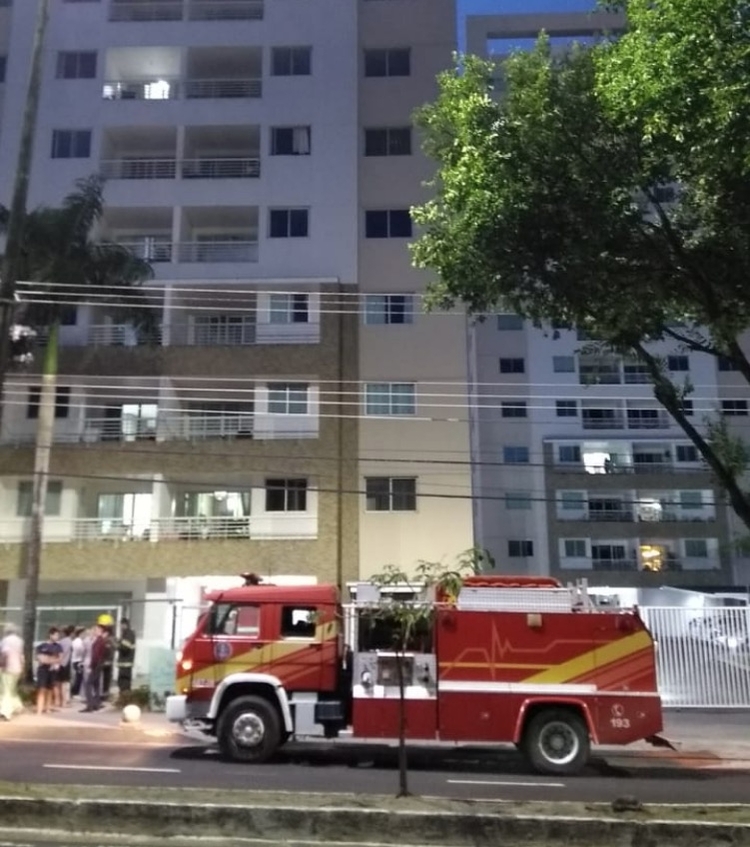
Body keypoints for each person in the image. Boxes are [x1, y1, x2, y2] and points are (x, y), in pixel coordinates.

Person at [36, 627, 63, 715]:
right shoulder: (42, 646)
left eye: (58, 635)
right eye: (55, 635)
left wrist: (49, 659)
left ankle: (47, 708)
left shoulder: (58, 647)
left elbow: (60, 659)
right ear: (50, 635)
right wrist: (52, 659)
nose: (57, 637)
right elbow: (41, 659)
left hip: (52, 671)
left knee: (50, 689)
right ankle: (39, 709)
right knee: (41, 689)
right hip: (43, 670)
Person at [0, 623, 24, 721]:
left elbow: (5, 653)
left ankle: (6, 711)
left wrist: (2, 665)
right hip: (17, 667)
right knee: (12, 689)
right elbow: (21, 655)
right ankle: (17, 706)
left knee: (6, 690)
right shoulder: (19, 641)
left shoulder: (5, 641)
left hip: (8, 668)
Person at [82, 621, 106, 713]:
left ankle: (90, 705)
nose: (94, 631)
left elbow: (95, 655)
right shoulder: (100, 641)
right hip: (98, 665)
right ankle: (96, 703)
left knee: (88, 684)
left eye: (96, 630)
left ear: (100, 631)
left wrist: (92, 665)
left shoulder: (98, 641)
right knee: (96, 685)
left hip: (95, 665)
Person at [116, 618, 136, 693]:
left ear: (124, 624)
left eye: (121, 625)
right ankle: (124, 697)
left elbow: (125, 647)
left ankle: (125, 698)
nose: (120, 627)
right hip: (124, 662)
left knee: (124, 682)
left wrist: (117, 645)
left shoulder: (129, 634)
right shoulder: (126, 634)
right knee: (122, 682)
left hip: (126, 662)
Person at [57, 625, 74, 707]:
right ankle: (64, 701)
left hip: (61, 663)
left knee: (60, 683)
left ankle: (61, 701)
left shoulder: (62, 642)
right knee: (65, 683)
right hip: (66, 663)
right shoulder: (69, 641)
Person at [70, 626, 86, 698]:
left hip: (77, 661)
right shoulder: (78, 642)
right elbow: (80, 651)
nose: (85, 635)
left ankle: (75, 691)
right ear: (80, 634)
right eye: (84, 633)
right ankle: (75, 692)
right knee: (79, 677)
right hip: (78, 661)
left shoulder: (78, 641)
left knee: (79, 677)